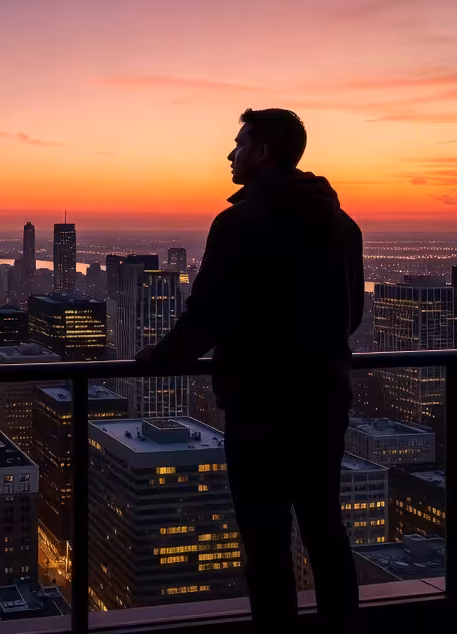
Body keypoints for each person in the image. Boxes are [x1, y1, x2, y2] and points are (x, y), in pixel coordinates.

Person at [138, 108, 363, 628]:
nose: (229, 154)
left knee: (265, 541)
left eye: (238, 143)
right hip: (324, 402)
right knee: (326, 531)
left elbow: (206, 318)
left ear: (262, 152)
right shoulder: (341, 224)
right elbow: (351, 315)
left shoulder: (239, 222)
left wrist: (156, 359)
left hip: (259, 406)